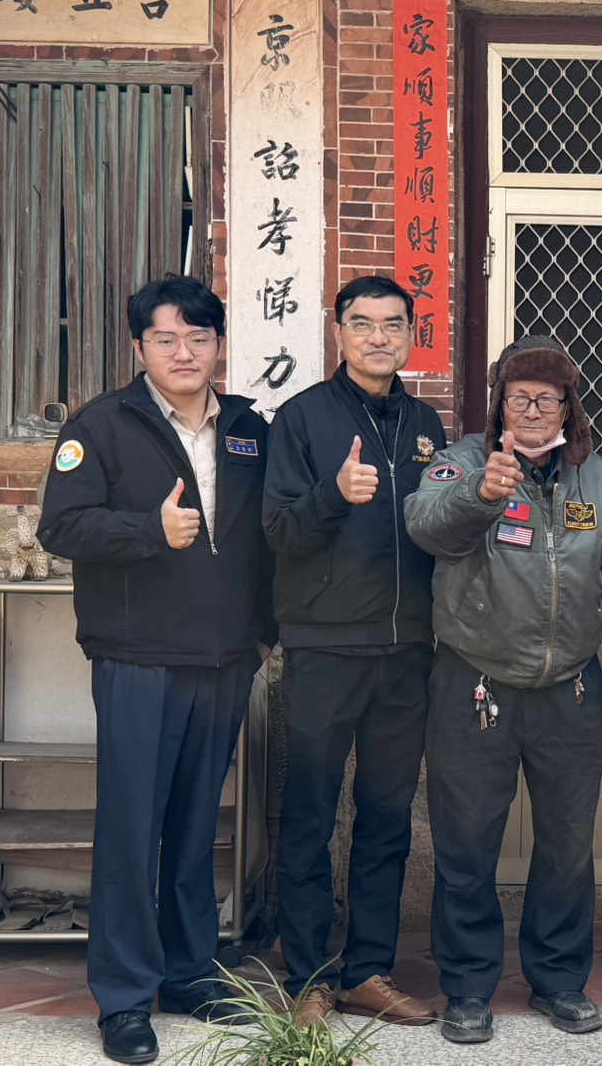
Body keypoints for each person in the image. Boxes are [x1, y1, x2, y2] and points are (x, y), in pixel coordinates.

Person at [36, 276, 275, 1065]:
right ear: (139, 346)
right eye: (166, 339)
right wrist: (148, 529)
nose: (184, 353)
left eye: (198, 338)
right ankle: (125, 998)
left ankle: (190, 974)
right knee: (132, 831)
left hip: (224, 658)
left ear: (218, 346)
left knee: (196, 826)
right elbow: (61, 526)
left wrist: (263, 634)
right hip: (139, 658)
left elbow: (269, 536)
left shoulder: (247, 428)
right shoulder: (102, 425)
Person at [405, 335, 602, 1045]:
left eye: (548, 399)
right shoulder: (462, 463)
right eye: (520, 398)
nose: (535, 411)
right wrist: (481, 496)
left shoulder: (599, 481)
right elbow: (424, 526)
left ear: (569, 408)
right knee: (466, 844)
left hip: (569, 691)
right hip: (474, 684)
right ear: (499, 405)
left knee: (567, 845)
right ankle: (467, 987)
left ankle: (560, 979)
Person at [262, 275, 447, 1029]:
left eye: (392, 324)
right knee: (310, 814)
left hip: (407, 651)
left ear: (410, 334)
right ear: (338, 332)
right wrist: (335, 493)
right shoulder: (302, 419)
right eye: (362, 323)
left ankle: (368, 969)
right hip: (324, 648)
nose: (378, 337)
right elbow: (280, 532)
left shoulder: (427, 424)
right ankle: (309, 977)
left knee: (386, 817)